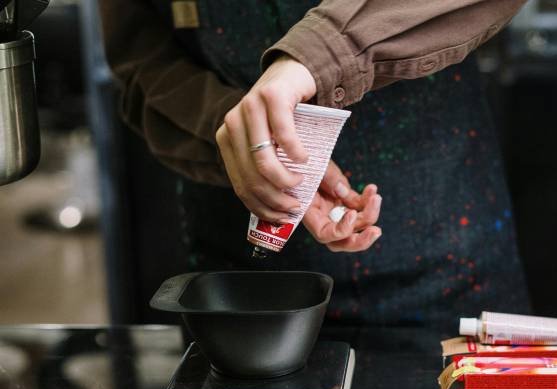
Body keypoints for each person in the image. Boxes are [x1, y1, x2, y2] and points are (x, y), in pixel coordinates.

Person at [100, 0, 531, 327]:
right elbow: (144, 61)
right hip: (244, 293)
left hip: (447, 262)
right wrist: (244, 134)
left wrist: (317, 57)